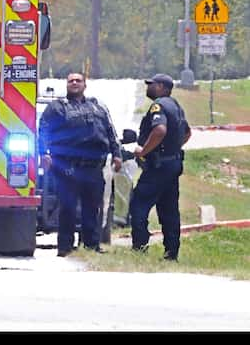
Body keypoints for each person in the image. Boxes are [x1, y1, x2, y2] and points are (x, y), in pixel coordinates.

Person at [38, 72, 123, 257]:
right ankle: (65, 247)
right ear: (66, 85)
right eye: (71, 81)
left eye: (78, 81)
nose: (74, 83)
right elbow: (43, 129)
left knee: (92, 208)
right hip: (68, 166)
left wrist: (117, 155)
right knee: (67, 208)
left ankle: (91, 246)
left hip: (93, 166)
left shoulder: (97, 107)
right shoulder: (57, 107)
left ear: (85, 84)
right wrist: (43, 153)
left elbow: (110, 131)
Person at [130, 73, 191, 261]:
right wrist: (173, 149)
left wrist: (144, 151)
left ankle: (140, 247)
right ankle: (171, 253)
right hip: (172, 165)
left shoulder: (159, 106)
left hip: (158, 167)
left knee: (139, 205)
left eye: (152, 84)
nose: (149, 87)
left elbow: (160, 130)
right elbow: (187, 133)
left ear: (162, 87)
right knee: (169, 209)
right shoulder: (176, 106)